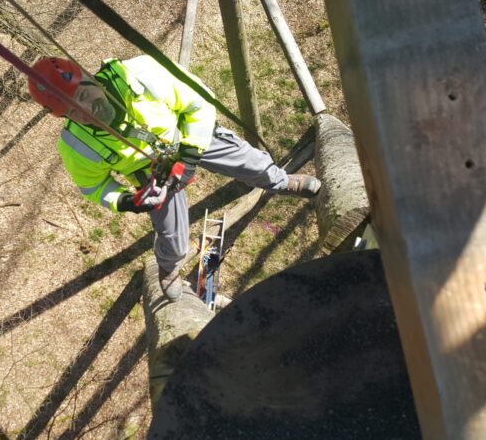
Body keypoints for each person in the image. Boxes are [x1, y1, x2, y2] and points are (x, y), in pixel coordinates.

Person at [28, 55, 321, 302]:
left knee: (253, 163)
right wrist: (131, 201)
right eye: (72, 111)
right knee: (172, 238)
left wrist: (190, 156)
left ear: (88, 76)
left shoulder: (142, 75)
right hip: (149, 171)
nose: (88, 111)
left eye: (83, 96)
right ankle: (169, 268)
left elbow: (199, 104)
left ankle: (281, 181)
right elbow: (94, 186)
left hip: (186, 133)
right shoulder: (75, 145)